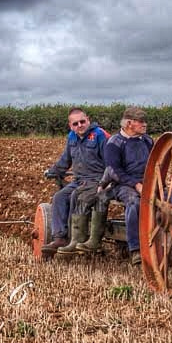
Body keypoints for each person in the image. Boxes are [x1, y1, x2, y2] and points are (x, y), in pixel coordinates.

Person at [39, 108, 110, 256]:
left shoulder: (99, 135)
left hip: (96, 180)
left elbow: (111, 162)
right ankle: (60, 238)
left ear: (88, 120)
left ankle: (75, 240)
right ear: (71, 125)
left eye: (82, 122)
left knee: (75, 197)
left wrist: (104, 183)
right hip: (79, 180)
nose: (80, 125)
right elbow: (66, 160)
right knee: (59, 197)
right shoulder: (72, 137)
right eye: (75, 123)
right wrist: (53, 171)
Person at [98, 107, 153, 265]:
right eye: (141, 122)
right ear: (129, 123)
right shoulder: (115, 143)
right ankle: (135, 248)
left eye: (144, 121)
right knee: (134, 202)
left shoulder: (148, 141)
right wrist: (135, 184)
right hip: (122, 184)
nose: (145, 125)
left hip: (147, 181)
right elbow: (114, 170)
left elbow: (156, 163)